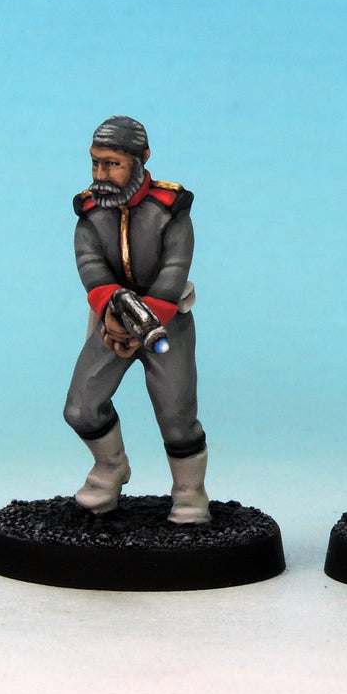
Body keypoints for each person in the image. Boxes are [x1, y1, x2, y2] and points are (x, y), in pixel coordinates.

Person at [62, 116, 209, 523]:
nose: (100, 174)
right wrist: (111, 310)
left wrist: (148, 316)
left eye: (112, 164)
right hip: (111, 322)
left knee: (177, 417)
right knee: (81, 407)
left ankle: (190, 492)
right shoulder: (89, 211)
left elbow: (175, 267)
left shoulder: (171, 209)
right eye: (95, 163)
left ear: (141, 159)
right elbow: (90, 263)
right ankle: (109, 468)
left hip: (166, 324)